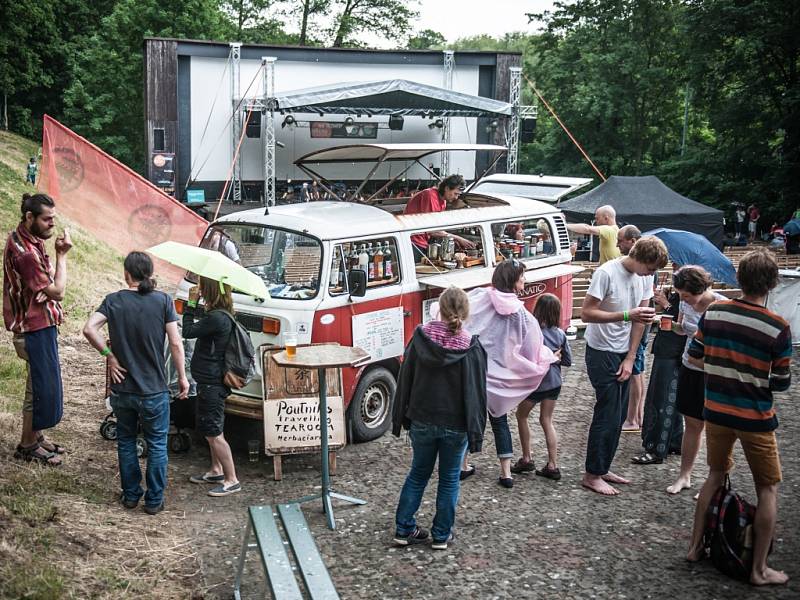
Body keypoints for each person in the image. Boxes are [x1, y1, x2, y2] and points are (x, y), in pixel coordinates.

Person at [685, 250, 791, 585]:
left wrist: (722, 368)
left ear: (738, 279)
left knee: (715, 475)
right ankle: (758, 570)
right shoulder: (778, 327)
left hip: (716, 410)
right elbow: (781, 382)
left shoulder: (714, 312)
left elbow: (695, 356)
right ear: (772, 283)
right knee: (768, 489)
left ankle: (693, 548)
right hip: (755, 418)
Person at [83, 252, 189, 514]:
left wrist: (109, 357)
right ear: (150, 274)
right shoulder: (163, 300)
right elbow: (175, 343)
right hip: (154, 390)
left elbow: (89, 328)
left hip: (123, 390)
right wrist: (183, 378)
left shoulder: (113, 301)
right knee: (156, 444)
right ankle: (154, 501)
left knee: (127, 441)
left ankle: (131, 496)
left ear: (126, 274)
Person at [391, 286, 487, 550]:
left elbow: (405, 378)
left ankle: (403, 529)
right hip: (456, 424)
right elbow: (478, 392)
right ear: (465, 313)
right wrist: (476, 428)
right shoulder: (470, 346)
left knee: (418, 474)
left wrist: (402, 416)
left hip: (422, 418)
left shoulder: (420, 337)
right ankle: (441, 535)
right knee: (449, 478)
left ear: (439, 308)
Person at [580, 236, 668, 495]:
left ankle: (602, 467)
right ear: (640, 258)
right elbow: (586, 313)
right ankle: (591, 474)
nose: (652, 274)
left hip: (623, 352)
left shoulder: (645, 278)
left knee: (618, 415)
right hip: (600, 351)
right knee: (606, 413)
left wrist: (631, 357)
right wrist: (626, 315)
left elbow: (642, 320)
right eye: (651, 268)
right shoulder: (606, 273)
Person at [461, 259, 558, 488]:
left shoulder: (481, 297)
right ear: (513, 281)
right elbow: (532, 345)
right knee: (500, 421)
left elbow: (461, 317)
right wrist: (543, 358)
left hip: (475, 371)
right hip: (501, 374)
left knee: (470, 418)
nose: (524, 279)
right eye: (522, 276)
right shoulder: (521, 313)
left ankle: (462, 465)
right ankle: (506, 472)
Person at [4, 193, 71, 466]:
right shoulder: (26, 253)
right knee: (38, 389)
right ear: (29, 217)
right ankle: (27, 445)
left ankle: (36, 436)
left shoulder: (28, 240)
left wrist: (49, 285)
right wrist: (61, 257)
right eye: (46, 219)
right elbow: (58, 290)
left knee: (42, 386)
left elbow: (50, 285)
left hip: (39, 324)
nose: (51, 225)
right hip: (33, 328)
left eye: (53, 219)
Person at [665, 266, 727, 495]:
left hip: (712, 372)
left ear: (701, 289)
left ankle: (714, 483)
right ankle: (685, 475)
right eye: (681, 296)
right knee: (692, 424)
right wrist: (672, 326)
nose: (684, 300)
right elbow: (684, 329)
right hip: (690, 367)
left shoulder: (720, 306)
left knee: (716, 429)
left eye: (687, 296)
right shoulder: (684, 301)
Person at [182, 276, 241, 497]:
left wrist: (190, 303)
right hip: (210, 382)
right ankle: (216, 470)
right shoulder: (220, 315)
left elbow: (187, 331)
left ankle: (231, 479)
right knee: (211, 429)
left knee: (215, 433)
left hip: (211, 384)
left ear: (209, 291)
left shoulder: (217, 318)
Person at [510, 293, 571, 480]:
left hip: (536, 384)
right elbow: (568, 360)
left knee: (521, 415)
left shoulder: (532, 333)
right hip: (554, 383)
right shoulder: (560, 334)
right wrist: (555, 357)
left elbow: (523, 356)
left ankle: (527, 458)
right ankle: (552, 464)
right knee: (547, 420)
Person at [631, 265, 686, 465]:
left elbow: (686, 322)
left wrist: (667, 305)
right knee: (670, 398)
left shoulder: (690, 294)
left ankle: (656, 448)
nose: (675, 269)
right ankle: (673, 441)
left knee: (662, 399)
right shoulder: (680, 291)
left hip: (673, 350)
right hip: (668, 348)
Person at [616, 225, 649, 432]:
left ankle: (633, 419)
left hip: (637, 321)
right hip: (639, 319)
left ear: (633, 241)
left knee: (636, 369)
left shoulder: (643, 268)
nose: (618, 244)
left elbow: (642, 308)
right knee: (639, 368)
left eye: (621, 240)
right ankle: (637, 415)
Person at [403, 174, 476, 258]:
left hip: (423, 241)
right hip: (413, 242)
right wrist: (458, 238)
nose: (456, 197)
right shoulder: (430, 196)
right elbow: (432, 230)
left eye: (458, 195)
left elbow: (436, 227)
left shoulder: (443, 201)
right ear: (447, 188)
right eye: (455, 193)